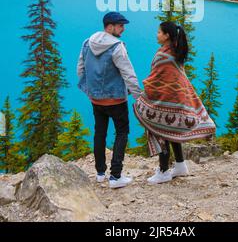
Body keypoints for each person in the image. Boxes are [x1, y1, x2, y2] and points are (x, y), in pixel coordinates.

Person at [134, 21, 216, 184]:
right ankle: (180, 165)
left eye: (159, 32)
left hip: (166, 99)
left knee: (161, 130)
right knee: (172, 130)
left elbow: (156, 79)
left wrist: (145, 91)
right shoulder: (175, 51)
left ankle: (163, 171)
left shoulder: (163, 55)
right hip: (178, 98)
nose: (156, 34)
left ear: (167, 36)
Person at [77, 11, 142, 189]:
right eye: (120, 25)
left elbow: (80, 69)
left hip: (96, 100)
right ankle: (115, 176)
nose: (123, 29)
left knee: (100, 133)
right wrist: (138, 97)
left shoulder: (87, 43)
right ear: (110, 27)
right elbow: (128, 74)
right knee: (122, 133)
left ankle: (99, 173)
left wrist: (90, 90)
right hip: (116, 101)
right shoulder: (117, 47)